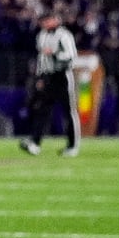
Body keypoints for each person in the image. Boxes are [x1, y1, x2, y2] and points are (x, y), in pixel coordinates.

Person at [19, 10, 80, 157]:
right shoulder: (42, 35)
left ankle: (72, 145)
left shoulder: (64, 35)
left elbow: (72, 56)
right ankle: (35, 143)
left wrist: (54, 53)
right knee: (43, 110)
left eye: (47, 20)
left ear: (54, 20)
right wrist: (40, 77)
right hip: (48, 77)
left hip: (63, 76)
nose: (44, 23)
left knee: (68, 112)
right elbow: (41, 59)